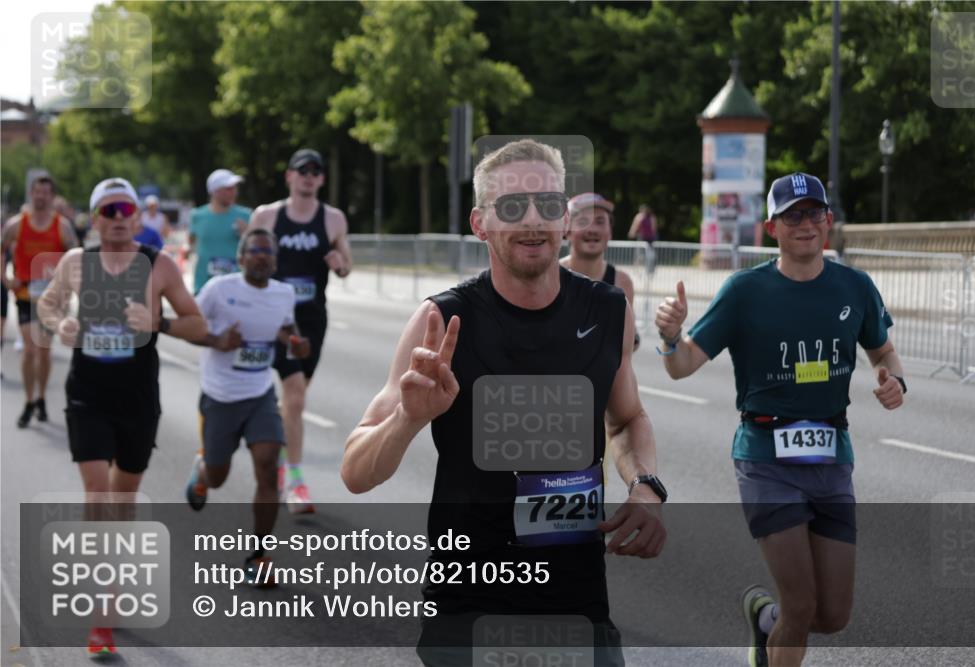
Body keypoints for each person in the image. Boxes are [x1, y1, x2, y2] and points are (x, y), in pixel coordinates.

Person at [341, 139, 666, 665]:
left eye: (548, 204)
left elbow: (627, 419)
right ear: (480, 224)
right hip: (469, 602)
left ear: (564, 219)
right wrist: (406, 418)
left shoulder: (608, 310)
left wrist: (645, 487)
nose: (533, 219)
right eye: (512, 206)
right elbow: (356, 473)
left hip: (578, 599)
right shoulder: (441, 320)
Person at [655, 172, 905, 667]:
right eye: (792, 216)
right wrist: (669, 336)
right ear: (772, 228)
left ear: (828, 221)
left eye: (814, 213)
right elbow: (681, 366)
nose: (805, 224)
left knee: (832, 616)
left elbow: (884, 351)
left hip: (832, 458)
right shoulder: (745, 291)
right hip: (765, 459)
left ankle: (766, 621)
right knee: (802, 605)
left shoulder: (854, 286)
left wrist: (894, 379)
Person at [36, 177, 206, 657]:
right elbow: (46, 305)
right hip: (87, 395)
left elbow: (198, 324)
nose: (116, 218)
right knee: (98, 493)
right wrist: (60, 324)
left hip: (137, 400)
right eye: (108, 210)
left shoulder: (160, 265)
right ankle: (101, 612)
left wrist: (159, 322)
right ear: (94, 218)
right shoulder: (76, 262)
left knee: (123, 499)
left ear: (136, 217)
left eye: (124, 210)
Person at [184, 227, 310, 581]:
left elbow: (288, 330)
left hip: (260, 395)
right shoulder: (218, 290)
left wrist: (297, 344)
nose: (262, 256)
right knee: (218, 477)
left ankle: (260, 555)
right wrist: (217, 340)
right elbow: (187, 325)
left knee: (268, 467)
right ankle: (203, 469)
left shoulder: (283, 293)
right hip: (220, 396)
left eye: (268, 251)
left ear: (275, 261)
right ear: (240, 258)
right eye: (255, 250)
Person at [249, 148, 352, 514]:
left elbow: (346, 264)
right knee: (293, 398)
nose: (308, 176)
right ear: (289, 176)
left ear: (321, 178)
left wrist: (339, 264)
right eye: (301, 170)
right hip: (273, 318)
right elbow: (246, 260)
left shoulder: (333, 219)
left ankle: (280, 465)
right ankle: (294, 481)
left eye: (315, 171)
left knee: (293, 398)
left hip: (310, 321)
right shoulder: (267, 216)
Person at [0, 173, 78, 427]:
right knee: (30, 348)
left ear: (52, 197)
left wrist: (67, 285)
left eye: (45, 192)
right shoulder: (17, 224)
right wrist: (5, 278)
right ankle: (29, 400)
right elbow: (1, 248)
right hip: (25, 293)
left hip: (51, 298)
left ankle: (42, 397)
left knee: (44, 352)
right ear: (31, 194)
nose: (40, 196)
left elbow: (76, 256)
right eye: (37, 192)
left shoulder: (62, 227)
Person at [560, 192, 640, 351]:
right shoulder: (549, 276)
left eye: (600, 221)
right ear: (567, 230)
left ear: (610, 231)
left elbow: (628, 347)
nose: (592, 229)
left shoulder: (622, 282)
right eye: (583, 221)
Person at [189, 169, 251, 294]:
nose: (234, 192)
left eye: (235, 188)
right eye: (228, 188)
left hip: (236, 287)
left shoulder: (246, 215)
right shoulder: (197, 216)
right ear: (214, 191)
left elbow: (255, 250)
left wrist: (247, 235)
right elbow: (192, 244)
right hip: (203, 286)